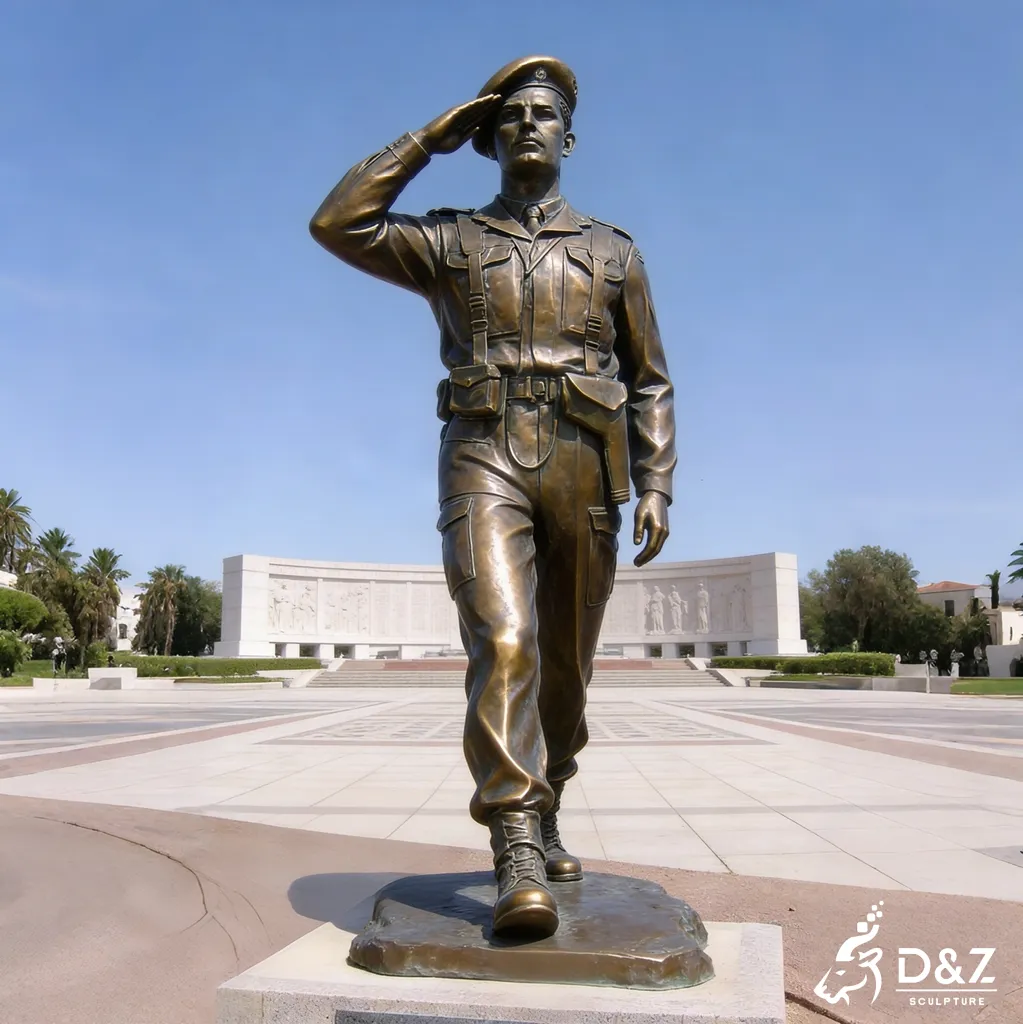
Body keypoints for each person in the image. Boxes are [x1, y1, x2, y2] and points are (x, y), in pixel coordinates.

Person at [310, 55, 675, 938]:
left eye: (543, 114)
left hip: (587, 463)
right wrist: (430, 136)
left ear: (569, 138)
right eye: (508, 116)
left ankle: (549, 804)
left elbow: (650, 379)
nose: (527, 125)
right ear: (486, 137)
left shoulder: (613, 252)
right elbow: (338, 221)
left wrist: (657, 480)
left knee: (565, 674)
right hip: (483, 453)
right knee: (504, 639)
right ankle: (513, 833)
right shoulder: (451, 242)